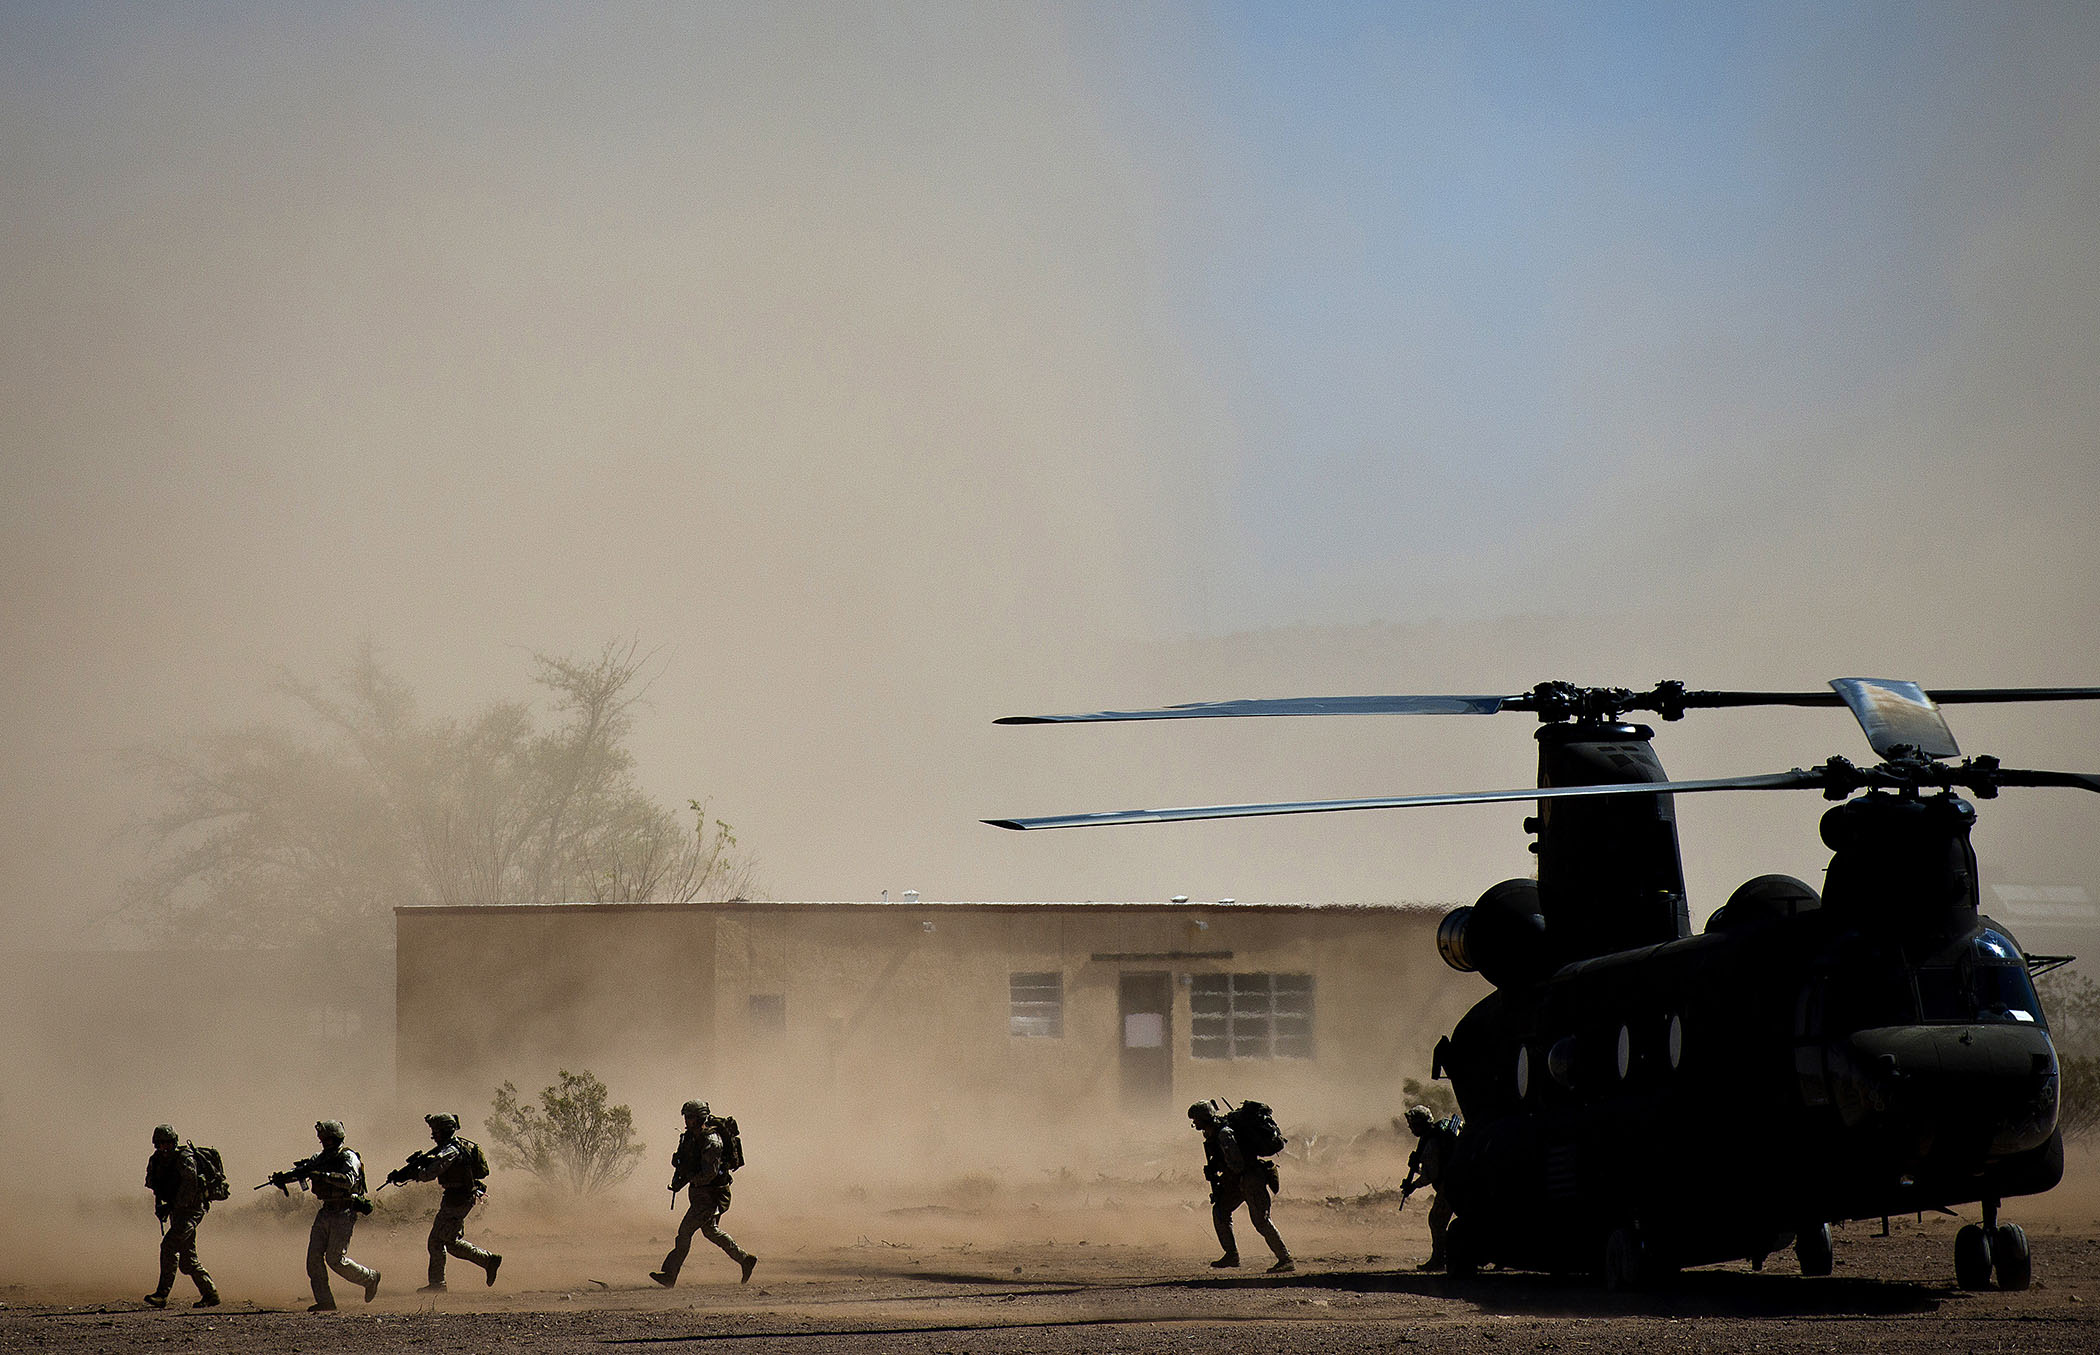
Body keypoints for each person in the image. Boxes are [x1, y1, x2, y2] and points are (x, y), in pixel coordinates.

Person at [268, 1119, 381, 1312]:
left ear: (336, 1138)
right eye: (322, 1139)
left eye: (328, 1139)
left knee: (335, 1259)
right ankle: (325, 1301)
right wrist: (284, 1178)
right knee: (313, 1258)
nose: (324, 1142)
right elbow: (304, 1171)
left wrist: (322, 1175)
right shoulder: (320, 1157)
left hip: (344, 1212)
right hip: (326, 1211)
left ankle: (370, 1278)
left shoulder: (348, 1157)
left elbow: (348, 1180)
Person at [385, 1112, 502, 1292]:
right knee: (451, 1242)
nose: (433, 1135)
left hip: (457, 1199)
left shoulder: (451, 1150)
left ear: (446, 1130)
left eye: (436, 1131)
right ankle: (487, 1260)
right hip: (459, 1198)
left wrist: (410, 1174)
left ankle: (438, 1284)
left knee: (435, 1241)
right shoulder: (453, 1146)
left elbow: (429, 1174)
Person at [650, 1099, 756, 1286]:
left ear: (700, 1117)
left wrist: (691, 1177)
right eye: (686, 1116)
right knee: (710, 1231)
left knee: (685, 1231)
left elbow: (710, 1173)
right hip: (700, 1194)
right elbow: (687, 1164)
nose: (687, 1120)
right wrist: (679, 1179)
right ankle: (745, 1260)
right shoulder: (690, 1137)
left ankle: (670, 1275)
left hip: (711, 1195)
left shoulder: (712, 1141)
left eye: (690, 1117)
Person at [1189, 1101, 1293, 1273]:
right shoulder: (1214, 1134)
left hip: (1251, 1178)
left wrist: (1221, 1173)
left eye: (1196, 1119)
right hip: (1240, 1181)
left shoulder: (1224, 1134)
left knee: (1261, 1221)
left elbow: (1237, 1164)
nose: (1194, 1123)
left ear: (1204, 1118)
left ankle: (1285, 1259)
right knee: (1221, 1211)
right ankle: (1231, 1255)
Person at [142, 1124, 220, 1309]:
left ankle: (161, 1295)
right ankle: (210, 1294)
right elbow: (156, 1187)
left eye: (168, 1143)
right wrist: (161, 1207)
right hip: (177, 1212)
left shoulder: (185, 1159)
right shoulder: (156, 1161)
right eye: (161, 1144)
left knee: (169, 1246)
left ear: (174, 1142)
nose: (165, 1147)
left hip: (191, 1211)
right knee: (187, 1260)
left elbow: (190, 1186)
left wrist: (172, 1205)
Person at [1400, 1104, 1460, 1271]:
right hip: (1457, 1181)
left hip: (1449, 1185)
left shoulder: (1432, 1143)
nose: (1410, 1128)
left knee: (1436, 1221)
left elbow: (1430, 1175)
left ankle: (1439, 1260)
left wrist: (1412, 1186)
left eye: (1412, 1124)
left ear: (1420, 1124)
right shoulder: (1437, 1135)